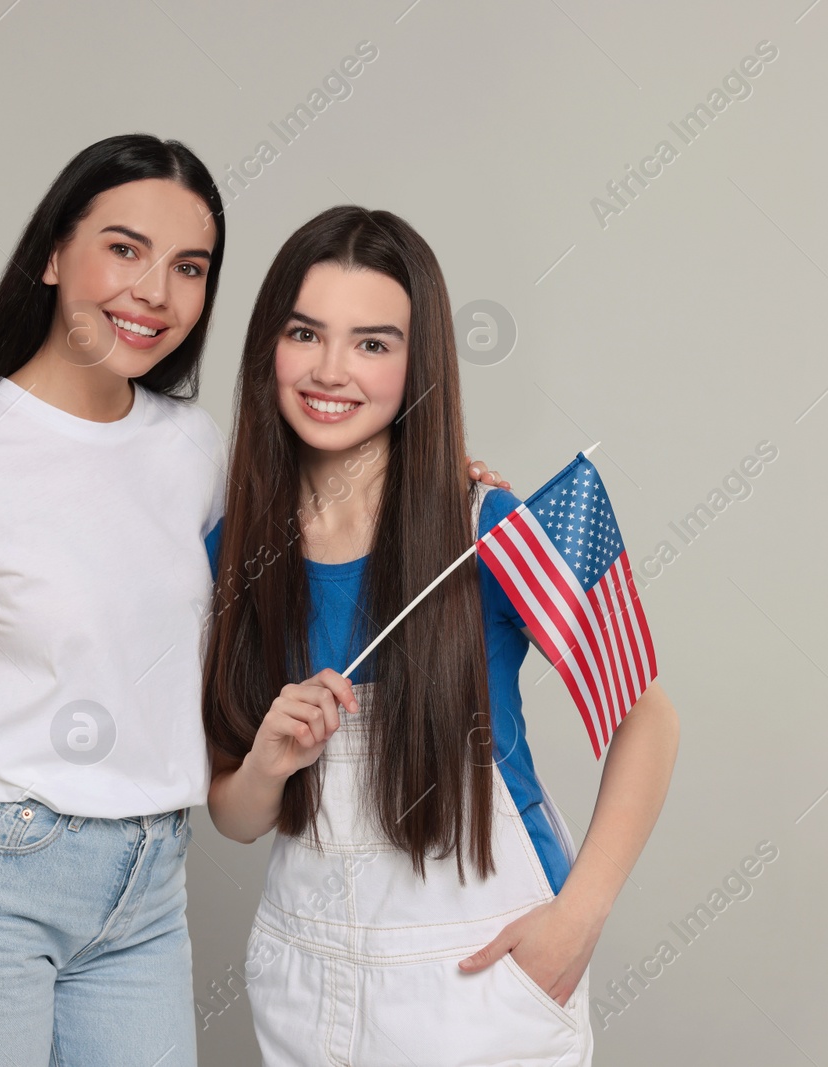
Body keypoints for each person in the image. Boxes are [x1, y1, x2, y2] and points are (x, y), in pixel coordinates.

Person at [0, 134, 511, 1065]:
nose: (154, 291)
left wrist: (437, 482)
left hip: (147, 889)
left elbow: (323, 511)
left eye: (188, 267)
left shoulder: (198, 453)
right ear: (50, 255)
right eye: (123, 248)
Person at [202, 206, 680, 1065]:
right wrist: (271, 759)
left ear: (418, 365)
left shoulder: (485, 530)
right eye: (306, 332)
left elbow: (650, 719)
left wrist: (582, 913)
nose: (332, 370)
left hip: (479, 984)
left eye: (374, 343)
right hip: (307, 985)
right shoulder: (232, 548)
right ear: (267, 346)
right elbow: (233, 814)